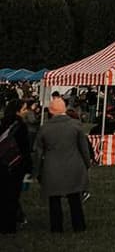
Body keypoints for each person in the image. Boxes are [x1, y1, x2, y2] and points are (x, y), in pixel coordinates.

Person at [32, 96, 93, 233]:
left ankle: (56, 227)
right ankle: (79, 226)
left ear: (51, 111)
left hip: (51, 167)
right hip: (73, 165)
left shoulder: (44, 128)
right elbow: (84, 148)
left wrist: (36, 171)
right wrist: (87, 163)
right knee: (74, 199)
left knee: (54, 200)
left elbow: (38, 151)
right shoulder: (76, 125)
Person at [0, 99, 32, 234]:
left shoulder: (2, 123)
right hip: (16, 164)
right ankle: (9, 226)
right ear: (18, 111)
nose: (26, 111)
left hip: (2, 163)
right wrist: (28, 167)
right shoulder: (21, 126)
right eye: (24, 109)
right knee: (12, 196)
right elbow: (25, 149)